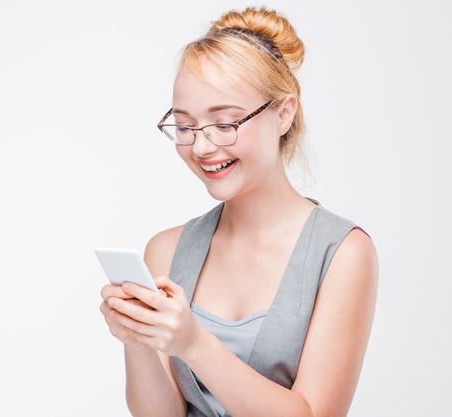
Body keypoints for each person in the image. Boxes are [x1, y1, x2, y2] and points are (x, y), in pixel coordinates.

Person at [99, 6, 378, 417]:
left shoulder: (342, 254)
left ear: (284, 112)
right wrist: (137, 340)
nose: (201, 147)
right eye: (185, 125)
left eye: (225, 123)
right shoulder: (166, 249)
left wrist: (193, 342)